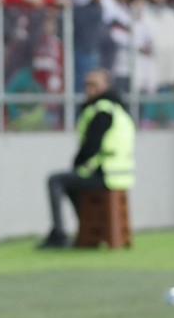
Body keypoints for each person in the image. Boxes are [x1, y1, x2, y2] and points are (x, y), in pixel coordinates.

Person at [41, 67, 135, 247]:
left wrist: (77, 165)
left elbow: (91, 147)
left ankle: (61, 233)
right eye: (87, 85)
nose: (89, 89)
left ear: (106, 86)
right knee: (70, 181)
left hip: (106, 174)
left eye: (94, 85)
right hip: (121, 174)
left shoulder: (102, 110)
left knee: (56, 180)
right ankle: (90, 228)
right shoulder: (118, 109)